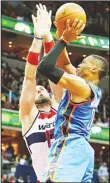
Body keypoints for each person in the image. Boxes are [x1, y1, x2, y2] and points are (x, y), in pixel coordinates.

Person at [37, 11, 109, 183]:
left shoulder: (82, 86)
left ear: (94, 70)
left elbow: (45, 67)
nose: (79, 65)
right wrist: (60, 35)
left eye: (84, 63)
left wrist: (64, 41)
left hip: (70, 144)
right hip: (82, 149)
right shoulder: (90, 87)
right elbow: (64, 63)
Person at [19, 3, 70, 182]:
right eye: (36, 90)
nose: (39, 88)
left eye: (43, 87)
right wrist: (38, 38)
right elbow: (29, 77)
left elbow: (52, 71)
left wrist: (49, 35)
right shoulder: (28, 117)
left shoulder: (60, 105)